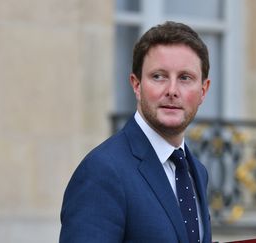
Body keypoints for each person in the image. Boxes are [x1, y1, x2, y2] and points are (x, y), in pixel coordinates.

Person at [60, 21, 212, 243]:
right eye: (158, 76)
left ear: (203, 90)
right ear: (136, 85)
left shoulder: (196, 171)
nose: (172, 91)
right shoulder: (102, 171)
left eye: (185, 78)